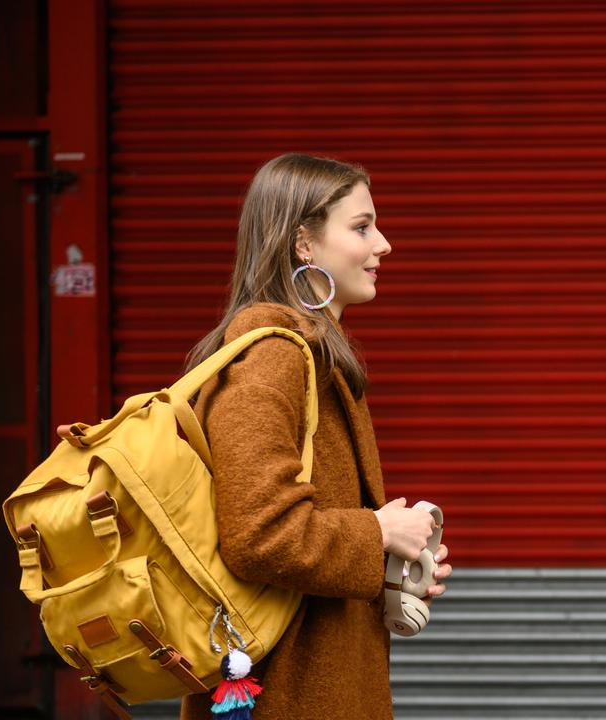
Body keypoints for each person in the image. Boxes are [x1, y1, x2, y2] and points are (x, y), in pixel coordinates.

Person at [179, 153, 452, 719]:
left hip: (319, 684)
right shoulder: (273, 357)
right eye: (361, 227)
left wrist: (387, 566)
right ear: (303, 244)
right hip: (285, 695)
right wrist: (377, 531)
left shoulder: (314, 356)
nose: (384, 245)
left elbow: (301, 537)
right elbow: (259, 535)